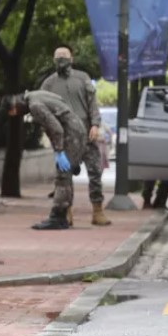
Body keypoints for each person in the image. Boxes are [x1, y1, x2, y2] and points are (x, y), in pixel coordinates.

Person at [39, 45, 111, 226]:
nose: (61, 59)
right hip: (65, 136)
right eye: (58, 56)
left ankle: (97, 210)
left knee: (95, 171)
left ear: (72, 59)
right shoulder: (48, 84)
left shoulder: (83, 78)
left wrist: (95, 124)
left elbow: (92, 103)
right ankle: (66, 211)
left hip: (86, 132)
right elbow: (43, 111)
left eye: (64, 55)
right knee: (64, 175)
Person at [4, 91, 87, 230]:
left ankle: (58, 217)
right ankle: (64, 216)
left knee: (62, 175)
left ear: (16, 104)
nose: (16, 114)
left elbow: (56, 129)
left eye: (14, 111)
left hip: (71, 134)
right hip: (77, 130)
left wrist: (60, 151)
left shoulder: (35, 105)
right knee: (66, 173)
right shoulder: (36, 95)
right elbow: (62, 101)